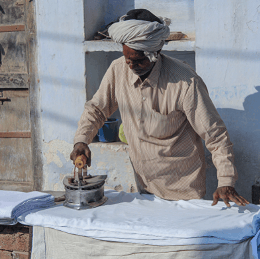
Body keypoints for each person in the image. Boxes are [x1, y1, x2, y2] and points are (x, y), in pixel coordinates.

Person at [70, 9, 249, 207]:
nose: (130, 65)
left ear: (155, 53)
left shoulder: (185, 83)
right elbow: (97, 109)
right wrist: (81, 140)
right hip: (144, 188)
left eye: (138, 60)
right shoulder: (118, 69)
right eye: (127, 58)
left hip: (183, 192)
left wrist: (225, 181)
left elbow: (216, 136)